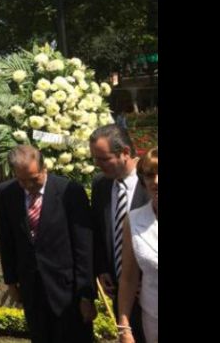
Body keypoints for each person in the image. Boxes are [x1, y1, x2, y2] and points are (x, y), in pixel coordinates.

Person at [0, 145, 96, 343]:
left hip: (68, 291)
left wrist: (86, 295)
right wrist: (11, 281)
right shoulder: (6, 193)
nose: (29, 186)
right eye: (22, 180)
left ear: (45, 168)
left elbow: (83, 246)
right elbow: (7, 240)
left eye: (34, 179)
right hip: (33, 289)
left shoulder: (69, 191)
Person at [89, 124, 150, 343]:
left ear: (125, 152)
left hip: (151, 290)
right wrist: (103, 268)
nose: (98, 165)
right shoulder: (101, 185)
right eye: (95, 159)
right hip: (119, 293)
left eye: (104, 159)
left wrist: (145, 277)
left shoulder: (151, 182)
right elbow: (99, 229)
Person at [117, 148, 158, 343]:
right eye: (150, 175)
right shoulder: (133, 220)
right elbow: (128, 279)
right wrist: (124, 328)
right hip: (153, 320)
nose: (156, 181)